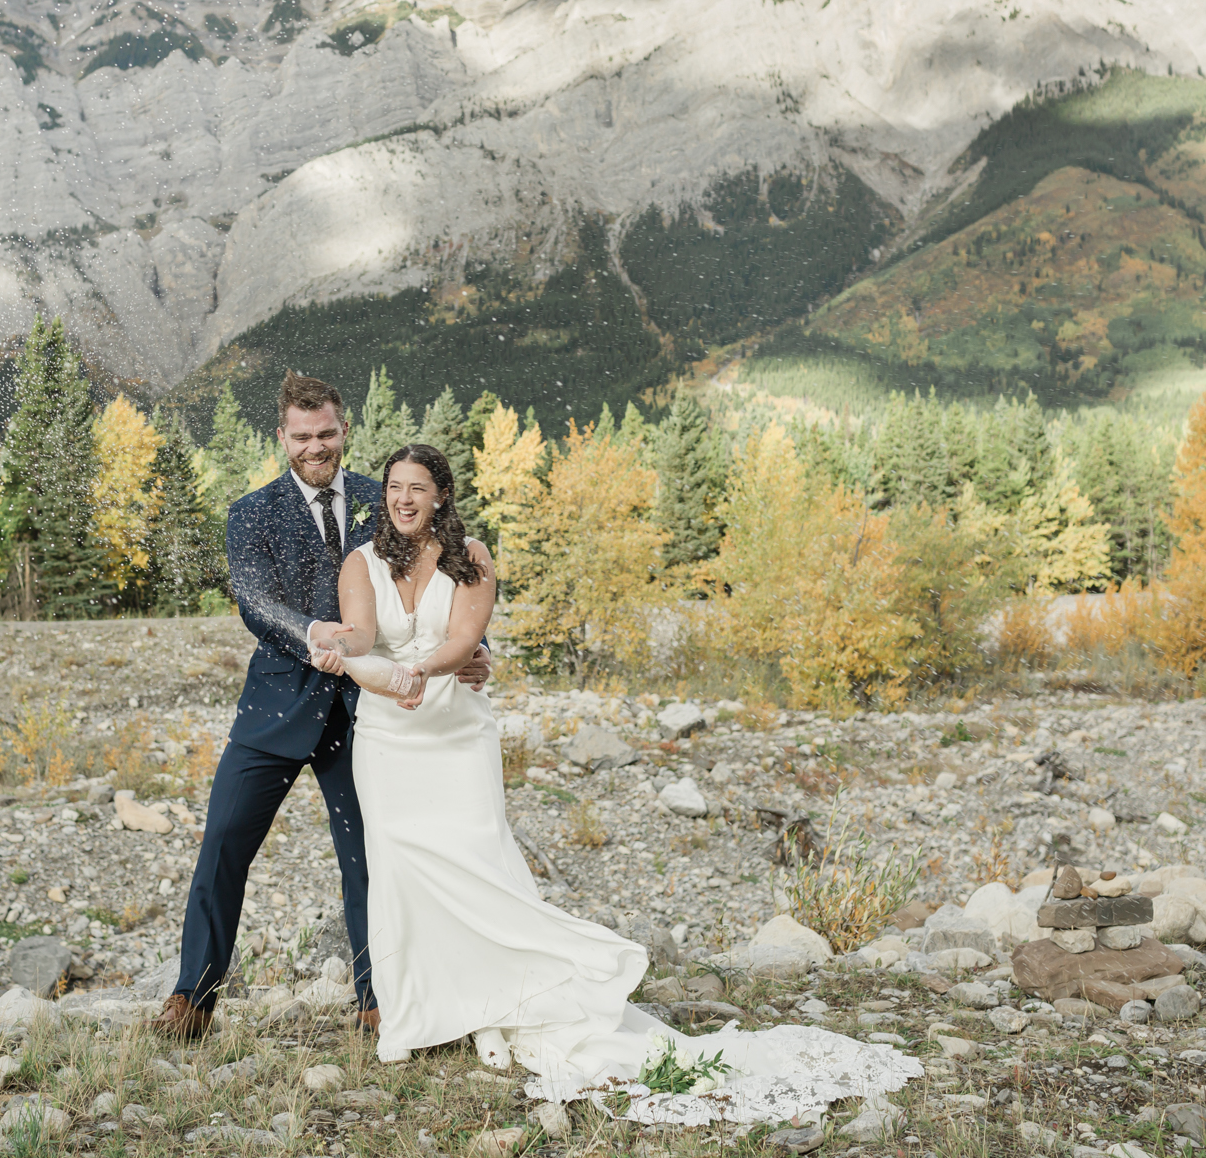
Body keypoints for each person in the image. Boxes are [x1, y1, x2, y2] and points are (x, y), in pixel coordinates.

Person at [310, 442, 921, 1127]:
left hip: (455, 736)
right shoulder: (360, 563)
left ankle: (504, 1000)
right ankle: (428, 1009)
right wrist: (342, 644)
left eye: (417, 487)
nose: (403, 498)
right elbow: (362, 634)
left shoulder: (471, 555)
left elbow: (463, 638)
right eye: (395, 486)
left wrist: (425, 672)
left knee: (479, 858)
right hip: (389, 741)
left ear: (441, 495)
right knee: (403, 870)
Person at [152, 374, 490, 1040]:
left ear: (344, 430)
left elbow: (443, 573)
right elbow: (254, 598)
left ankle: (379, 999)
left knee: (370, 857)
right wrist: (311, 632)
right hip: (275, 706)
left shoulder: (381, 496)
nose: (316, 448)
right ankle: (192, 998)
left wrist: (472, 647)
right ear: (282, 437)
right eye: (303, 437)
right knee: (222, 845)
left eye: (327, 434)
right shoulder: (252, 511)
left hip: (368, 716)